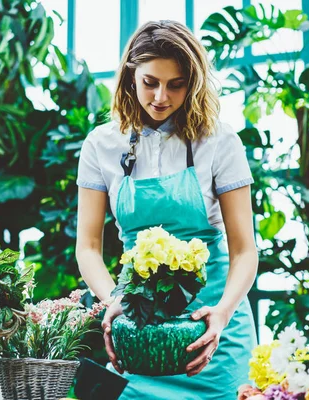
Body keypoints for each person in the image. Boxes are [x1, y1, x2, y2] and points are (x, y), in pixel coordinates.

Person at [75, 20, 258, 400]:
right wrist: (115, 304)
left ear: (193, 83)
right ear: (130, 75)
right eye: (150, 82)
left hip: (212, 334)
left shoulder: (220, 142)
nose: (161, 96)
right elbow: (88, 247)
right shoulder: (101, 145)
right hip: (139, 328)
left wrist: (222, 313)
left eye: (176, 84)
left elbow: (244, 250)